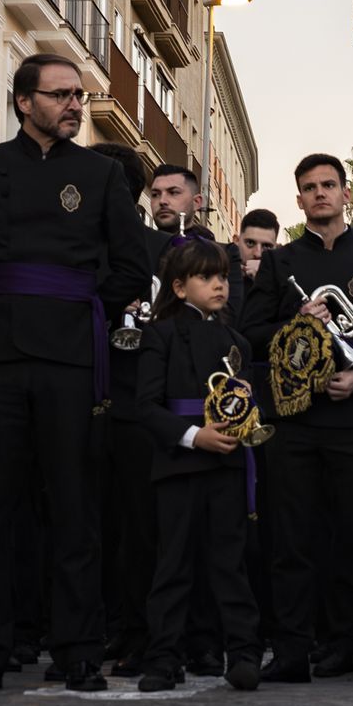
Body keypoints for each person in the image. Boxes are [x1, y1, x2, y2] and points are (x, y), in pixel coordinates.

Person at [0, 53, 150, 692]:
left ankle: (78, 650)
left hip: (71, 357)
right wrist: (3, 300)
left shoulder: (101, 176)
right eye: (61, 95)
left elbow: (131, 270)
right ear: (25, 102)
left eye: (78, 95)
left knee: (74, 505)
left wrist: (78, 309)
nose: (75, 105)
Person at [241, 154, 353, 684]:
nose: (320, 194)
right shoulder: (281, 262)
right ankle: (295, 651)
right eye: (309, 188)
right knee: (293, 539)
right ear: (299, 200)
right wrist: (294, 320)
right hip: (295, 419)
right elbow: (249, 333)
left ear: (343, 192)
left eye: (329, 184)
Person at [136, 238, 263, 693]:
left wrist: (236, 430)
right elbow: (146, 406)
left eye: (223, 278)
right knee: (174, 563)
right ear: (178, 285)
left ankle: (244, 653)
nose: (218, 286)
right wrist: (193, 437)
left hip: (227, 464)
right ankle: (164, 657)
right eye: (206, 278)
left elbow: (242, 399)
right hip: (179, 465)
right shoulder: (161, 333)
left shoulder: (237, 341)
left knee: (230, 562)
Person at [90, 141, 175, 677]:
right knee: (88, 526)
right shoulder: (71, 245)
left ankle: (140, 632)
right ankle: (96, 629)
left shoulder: (163, 252)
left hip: (136, 407)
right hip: (83, 403)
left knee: (136, 529)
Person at [148, 164, 246, 314]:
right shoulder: (138, 247)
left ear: (197, 202)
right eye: (155, 194)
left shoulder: (226, 253)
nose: (162, 201)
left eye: (173, 192)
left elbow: (230, 313)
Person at [238, 208, 281, 281]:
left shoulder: (285, 281)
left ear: (275, 248)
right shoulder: (216, 273)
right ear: (236, 241)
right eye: (250, 243)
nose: (258, 254)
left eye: (266, 246)